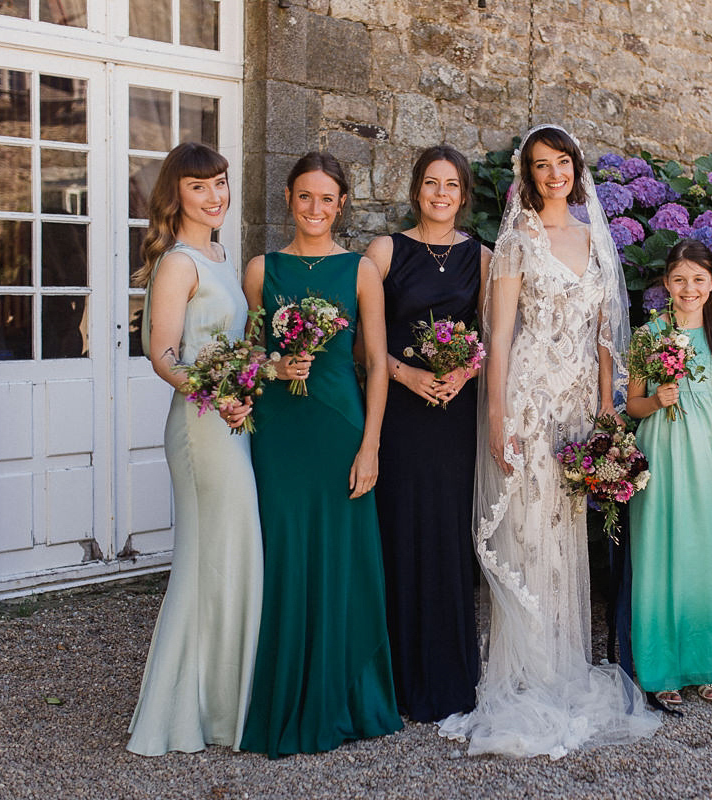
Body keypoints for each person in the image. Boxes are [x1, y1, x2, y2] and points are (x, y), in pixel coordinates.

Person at [438, 124, 660, 758]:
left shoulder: (595, 241)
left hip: (576, 411)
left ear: (576, 168)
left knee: (565, 537)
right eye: (541, 166)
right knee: (527, 532)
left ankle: (562, 666)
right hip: (530, 405)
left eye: (562, 162)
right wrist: (497, 415)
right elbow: (500, 337)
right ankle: (526, 672)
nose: (554, 174)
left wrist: (607, 413)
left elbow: (604, 338)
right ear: (528, 177)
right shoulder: (515, 243)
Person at [239, 151, 402, 757]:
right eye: (305, 196)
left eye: (327, 199)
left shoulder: (360, 271)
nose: (315, 208)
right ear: (288, 198)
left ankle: (341, 693)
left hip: (340, 428)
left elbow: (377, 364)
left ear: (341, 205)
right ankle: (279, 693)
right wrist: (276, 366)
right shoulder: (262, 269)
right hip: (279, 431)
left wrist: (371, 447)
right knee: (283, 553)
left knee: (342, 557)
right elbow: (247, 357)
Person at [127, 142, 263, 756]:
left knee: (231, 558)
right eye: (200, 187)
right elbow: (162, 356)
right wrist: (217, 391)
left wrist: (247, 391)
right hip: (199, 426)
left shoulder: (219, 254)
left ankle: (222, 704)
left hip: (230, 419)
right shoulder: (180, 261)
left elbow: (232, 347)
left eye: (222, 185)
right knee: (208, 560)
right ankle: (180, 713)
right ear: (175, 195)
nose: (215, 198)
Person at [365, 145, 490, 722]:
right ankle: (397, 677)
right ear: (417, 188)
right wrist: (407, 373)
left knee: (447, 531)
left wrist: (463, 373)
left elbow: (492, 334)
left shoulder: (483, 257)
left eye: (452, 186)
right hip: (401, 412)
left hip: (455, 413)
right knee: (401, 529)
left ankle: (447, 675)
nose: (441, 194)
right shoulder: (387, 250)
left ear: (464, 196)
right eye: (431, 183)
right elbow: (360, 341)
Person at [626, 239, 712, 710]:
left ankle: (706, 666)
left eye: (698, 279)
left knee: (708, 558)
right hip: (662, 452)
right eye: (678, 280)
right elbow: (632, 404)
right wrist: (658, 399)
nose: (688, 288)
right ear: (665, 285)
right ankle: (660, 668)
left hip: (708, 456)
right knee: (661, 554)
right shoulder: (648, 335)